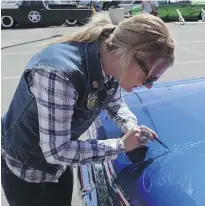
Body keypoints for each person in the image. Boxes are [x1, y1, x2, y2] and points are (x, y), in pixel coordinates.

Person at [1, 13, 175, 206]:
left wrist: (130, 125)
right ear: (129, 54)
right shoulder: (58, 74)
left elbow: (115, 104)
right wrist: (120, 145)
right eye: (150, 77)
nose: (149, 85)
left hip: (58, 169)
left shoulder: (112, 65)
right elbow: (57, 150)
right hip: (27, 173)